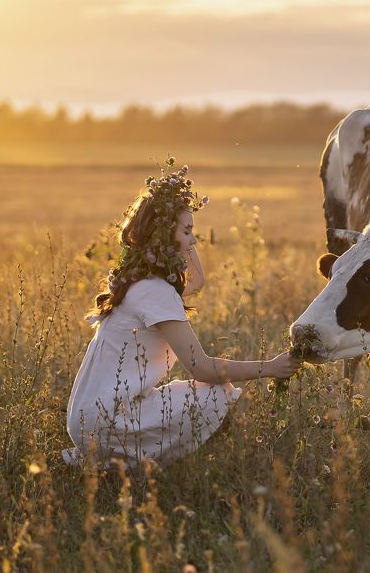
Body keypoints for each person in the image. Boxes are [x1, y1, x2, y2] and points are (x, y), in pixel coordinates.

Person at [62, 162, 301, 468]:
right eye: (187, 232)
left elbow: (197, 282)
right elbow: (201, 368)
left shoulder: (138, 281)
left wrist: (179, 235)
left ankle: (113, 463)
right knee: (221, 394)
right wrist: (271, 367)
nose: (194, 241)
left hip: (89, 418)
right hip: (106, 420)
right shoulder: (155, 292)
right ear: (163, 236)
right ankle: (230, 472)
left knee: (210, 395)